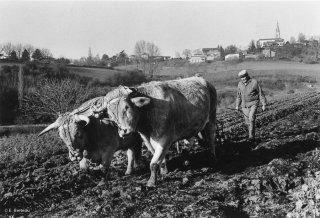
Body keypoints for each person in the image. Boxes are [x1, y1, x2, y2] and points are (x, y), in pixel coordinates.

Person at [235, 70, 267, 141]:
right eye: (241, 78)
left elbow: (260, 93)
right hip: (244, 106)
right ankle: (252, 136)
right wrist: (237, 105)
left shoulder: (254, 82)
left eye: (244, 77)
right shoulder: (240, 84)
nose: (243, 79)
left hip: (253, 103)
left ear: (247, 76)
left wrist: (263, 104)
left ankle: (251, 137)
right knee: (248, 122)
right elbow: (238, 96)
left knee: (251, 119)